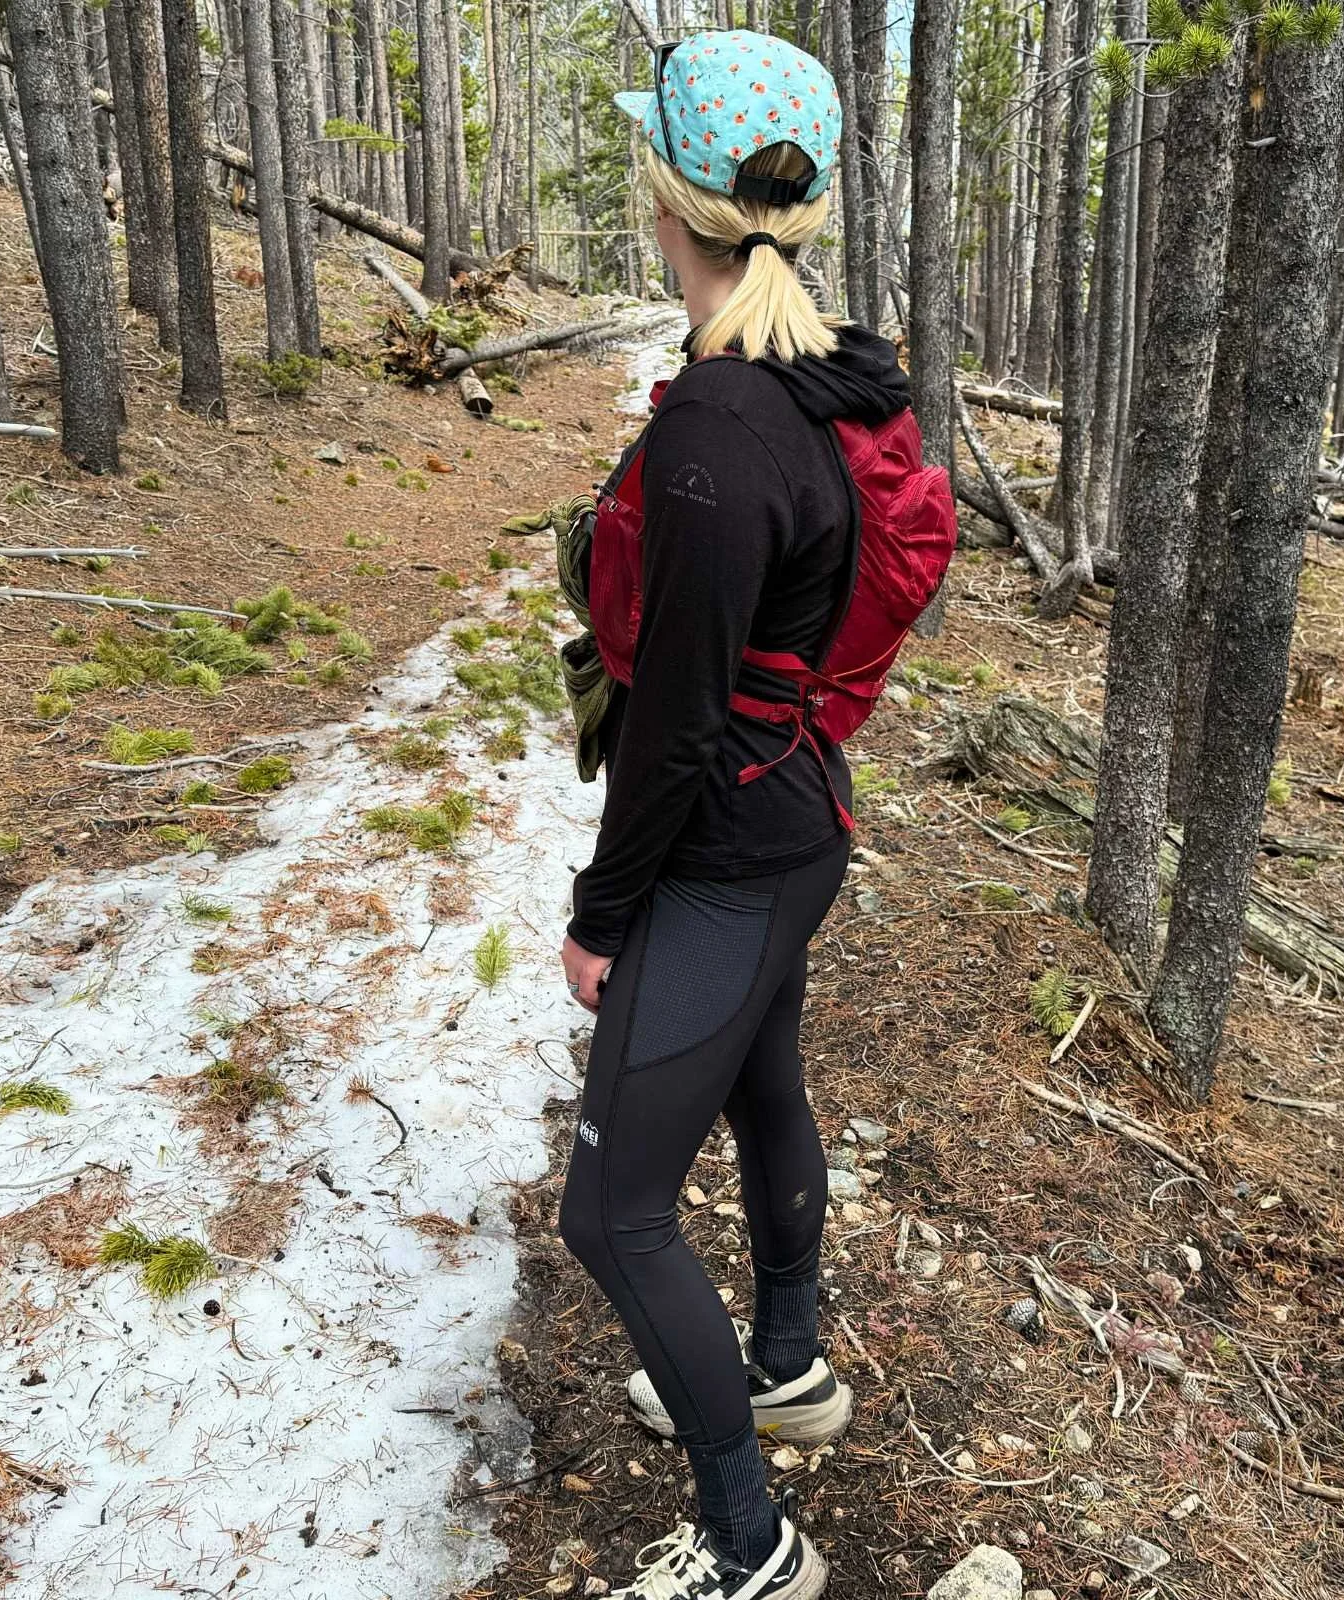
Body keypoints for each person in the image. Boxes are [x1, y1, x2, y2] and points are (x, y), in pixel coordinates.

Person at [554, 27, 919, 1600]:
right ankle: (783, 1361)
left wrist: (601, 912)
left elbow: (678, 726)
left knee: (615, 1211)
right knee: (765, 1085)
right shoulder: (815, 375)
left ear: (664, 201)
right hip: (796, 829)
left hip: (725, 851)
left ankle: (751, 1541)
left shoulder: (714, 431)